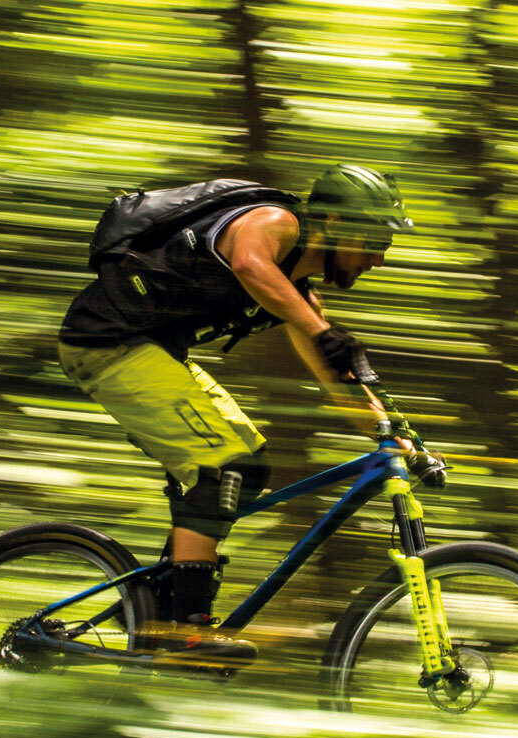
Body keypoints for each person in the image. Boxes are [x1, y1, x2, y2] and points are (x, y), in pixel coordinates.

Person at [53, 163, 420, 668]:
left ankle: (159, 604)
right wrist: (317, 330)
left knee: (249, 466)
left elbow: (336, 380)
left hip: (152, 353)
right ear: (334, 222)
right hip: (107, 345)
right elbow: (250, 262)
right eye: (376, 240)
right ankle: (188, 629)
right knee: (220, 466)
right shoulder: (275, 222)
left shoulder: (296, 296)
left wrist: (395, 436)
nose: (379, 258)